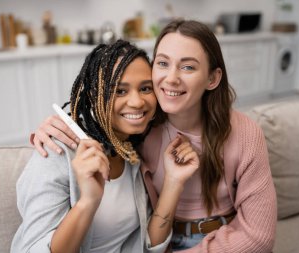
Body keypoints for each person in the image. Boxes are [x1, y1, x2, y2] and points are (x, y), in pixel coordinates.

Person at [30, 19, 277, 252]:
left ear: (212, 78)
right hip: (163, 242)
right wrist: (54, 126)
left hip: (224, 239)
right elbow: (103, 111)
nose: (171, 79)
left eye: (188, 66)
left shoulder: (244, 134)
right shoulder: (143, 128)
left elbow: (258, 237)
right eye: (162, 63)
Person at [11, 39, 200, 253]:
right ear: (93, 96)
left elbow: (151, 248)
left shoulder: (132, 149)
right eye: (120, 91)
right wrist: (88, 202)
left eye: (145, 88)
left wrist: (174, 181)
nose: (137, 102)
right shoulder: (56, 154)